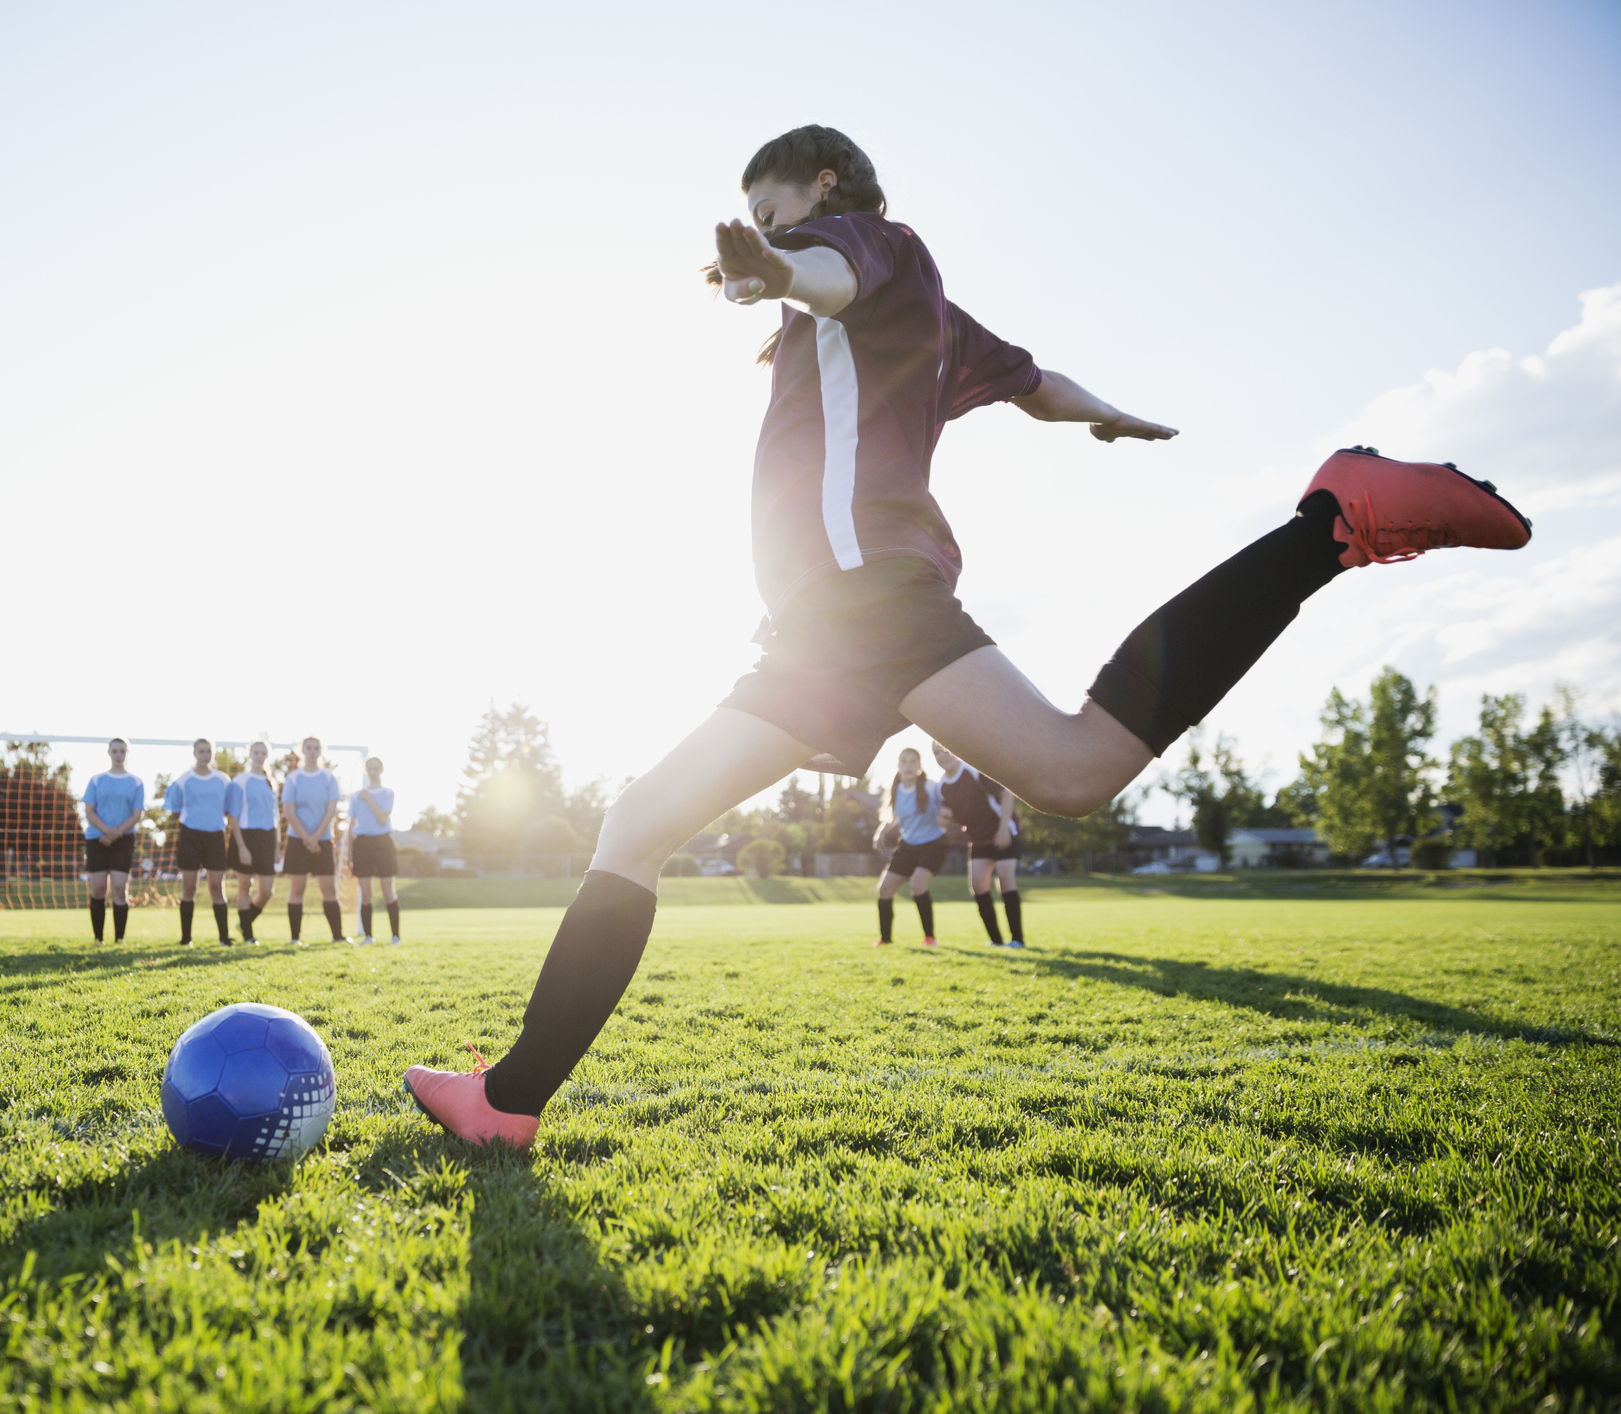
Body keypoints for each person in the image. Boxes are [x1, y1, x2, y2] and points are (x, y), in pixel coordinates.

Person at [402, 124, 1532, 1149]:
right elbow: (1034, 382)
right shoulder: (926, 313)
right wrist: (1108, 413)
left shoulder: (869, 247)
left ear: (828, 182)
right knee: (664, 815)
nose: (764, 231)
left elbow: (833, 268)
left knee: (1063, 768)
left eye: (772, 208)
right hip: (825, 631)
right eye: (753, 226)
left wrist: (779, 268)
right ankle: (509, 1101)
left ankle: (1330, 523)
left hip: (863, 607)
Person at [933, 741, 1021, 947]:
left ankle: (1017, 940)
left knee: (1005, 880)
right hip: (978, 838)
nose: (942, 755)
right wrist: (946, 819)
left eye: (945, 749)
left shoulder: (973, 770)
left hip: (1003, 832)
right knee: (977, 886)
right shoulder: (941, 787)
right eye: (937, 752)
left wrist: (1003, 828)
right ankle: (996, 941)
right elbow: (957, 816)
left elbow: (1006, 795)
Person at [164, 738, 239, 945]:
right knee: (189, 888)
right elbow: (175, 806)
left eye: (208, 751)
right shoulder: (184, 780)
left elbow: (229, 808)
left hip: (215, 836)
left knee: (216, 887)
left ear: (212, 753)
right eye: (201, 751)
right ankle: (186, 938)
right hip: (190, 836)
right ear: (194, 753)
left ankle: (224, 938)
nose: (205, 755)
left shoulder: (223, 780)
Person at [874, 747, 946, 948]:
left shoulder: (931, 787)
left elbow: (947, 808)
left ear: (919, 766)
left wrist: (947, 816)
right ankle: (885, 940)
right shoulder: (895, 789)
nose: (908, 765)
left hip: (934, 844)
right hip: (908, 845)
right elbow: (894, 817)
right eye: (904, 761)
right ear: (898, 765)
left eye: (913, 761)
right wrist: (881, 831)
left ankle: (929, 938)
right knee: (884, 889)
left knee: (917, 884)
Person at [280, 736, 344, 944]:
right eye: (309, 747)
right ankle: (295, 938)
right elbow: (289, 811)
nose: (312, 751)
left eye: (316, 748)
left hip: (323, 840)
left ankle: (337, 937)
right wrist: (307, 838)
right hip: (298, 840)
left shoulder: (328, 778)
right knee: (297, 888)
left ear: (321, 751)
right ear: (302, 751)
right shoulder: (293, 778)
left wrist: (316, 837)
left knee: (329, 889)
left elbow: (331, 810)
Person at [80, 737, 145, 943]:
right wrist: (106, 831)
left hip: (123, 839)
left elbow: (137, 814)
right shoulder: (97, 780)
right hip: (96, 839)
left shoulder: (136, 782)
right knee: (98, 888)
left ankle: (119, 939)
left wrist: (116, 833)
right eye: (115, 751)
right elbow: (89, 811)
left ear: (127, 753)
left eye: (122, 751)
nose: (118, 755)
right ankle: (99, 938)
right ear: (109, 753)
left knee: (119, 886)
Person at [226, 740, 281, 943]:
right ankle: (249, 935)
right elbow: (233, 816)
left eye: (263, 753)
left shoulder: (271, 782)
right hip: (246, 836)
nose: (259, 756)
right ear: (250, 754)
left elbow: (275, 817)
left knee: (267, 891)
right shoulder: (239, 781)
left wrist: (276, 846)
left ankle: (244, 922)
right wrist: (241, 847)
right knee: (245, 887)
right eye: (256, 752)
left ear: (267, 755)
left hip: (267, 838)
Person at [349, 756, 402, 945]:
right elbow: (351, 825)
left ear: (381, 769)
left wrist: (369, 798)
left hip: (383, 843)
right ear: (366, 770)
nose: (372, 771)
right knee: (366, 892)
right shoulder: (356, 796)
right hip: (362, 844)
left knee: (388, 891)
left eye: (375, 768)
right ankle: (368, 936)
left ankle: (395, 936)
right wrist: (349, 853)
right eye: (369, 768)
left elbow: (382, 818)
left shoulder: (388, 793)